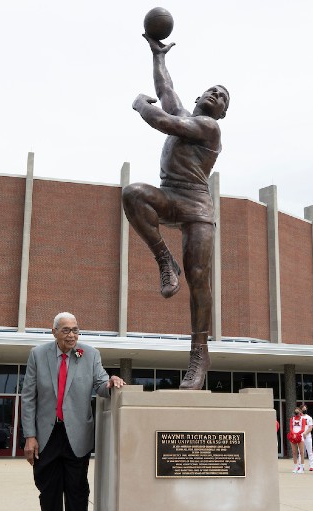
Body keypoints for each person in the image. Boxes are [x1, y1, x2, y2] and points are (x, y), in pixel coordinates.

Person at [122, 34, 229, 390]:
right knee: (133, 194)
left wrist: (140, 105)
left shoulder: (209, 128)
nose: (217, 94)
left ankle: (200, 352)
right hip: (170, 196)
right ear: (199, 98)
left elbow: (164, 121)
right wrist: (158, 56)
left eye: (223, 97)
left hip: (197, 206)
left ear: (222, 112)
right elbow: (165, 88)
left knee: (199, 277)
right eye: (212, 90)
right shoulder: (185, 112)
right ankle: (165, 260)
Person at [21, 312, 125, 511]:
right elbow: (29, 397)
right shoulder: (38, 354)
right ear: (54, 332)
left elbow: (100, 384)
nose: (72, 335)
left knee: (78, 496)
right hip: (46, 438)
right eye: (66, 330)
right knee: (50, 497)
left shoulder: (90, 354)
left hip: (76, 438)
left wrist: (111, 381)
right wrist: (30, 436)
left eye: (76, 330)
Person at [287, 407, 306, 474]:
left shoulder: (303, 419)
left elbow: (303, 429)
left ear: (300, 411)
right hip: (293, 436)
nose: (296, 412)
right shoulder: (292, 419)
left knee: (301, 452)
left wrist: (297, 434)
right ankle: (295, 466)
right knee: (294, 452)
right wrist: (293, 434)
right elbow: (291, 428)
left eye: (298, 411)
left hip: (300, 436)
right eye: (295, 411)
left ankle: (302, 467)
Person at [298, 404, 313, 471]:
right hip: (300, 437)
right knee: (301, 452)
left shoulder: (309, 418)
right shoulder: (298, 418)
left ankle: (311, 466)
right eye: (303, 409)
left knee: (309, 451)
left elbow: (311, 427)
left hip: (307, 436)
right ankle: (301, 465)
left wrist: (305, 433)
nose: (304, 410)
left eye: (305, 408)